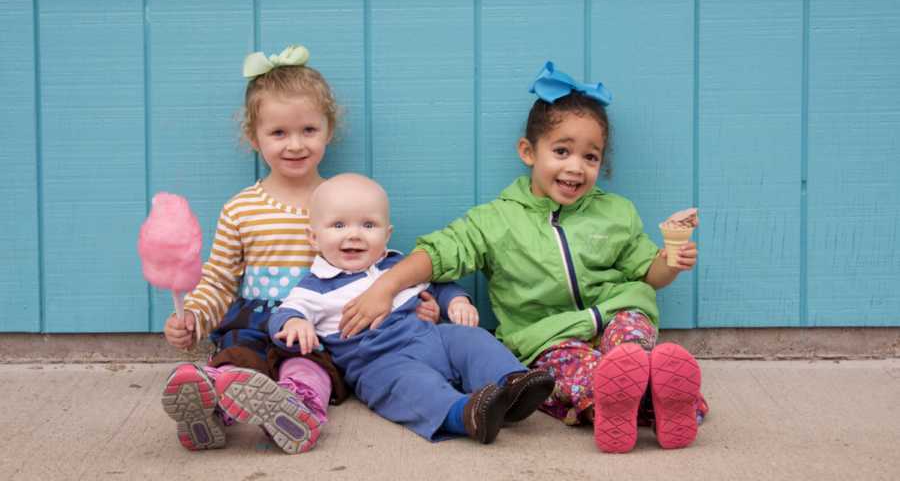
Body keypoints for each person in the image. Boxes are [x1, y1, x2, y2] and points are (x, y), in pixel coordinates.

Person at [339, 62, 709, 453]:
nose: (575, 167)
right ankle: (634, 404)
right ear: (528, 152)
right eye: (562, 151)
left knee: (630, 345)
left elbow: (648, 274)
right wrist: (386, 285)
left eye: (590, 157)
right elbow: (437, 253)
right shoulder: (496, 221)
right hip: (548, 338)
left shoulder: (616, 212)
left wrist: (672, 256)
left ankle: (653, 391)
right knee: (572, 376)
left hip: (619, 313)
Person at [161, 45, 351, 454]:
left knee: (306, 369)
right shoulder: (242, 208)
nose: (295, 144)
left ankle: (298, 410)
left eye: (308, 130)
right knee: (235, 363)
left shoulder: (341, 201)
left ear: (328, 130)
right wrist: (193, 315)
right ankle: (210, 407)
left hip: (314, 326)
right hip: (254, 321)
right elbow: (219, 279)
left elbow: (366, 261)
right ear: (254, 138)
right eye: (278, 133)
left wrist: (403, 300)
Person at [269, 173, 555, 444]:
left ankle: (512, 384)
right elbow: (285, 312)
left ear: (387, 234)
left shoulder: (395, 265)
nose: (354, 235)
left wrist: (457, 301)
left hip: (432, 338)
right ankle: (465, 414)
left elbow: (438, 286)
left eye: (368, 225)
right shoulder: (316, 286)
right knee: (412, 387)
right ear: (314, 237)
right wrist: (294, 323)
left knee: (472, 339)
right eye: (339, 225)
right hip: (380, 361)